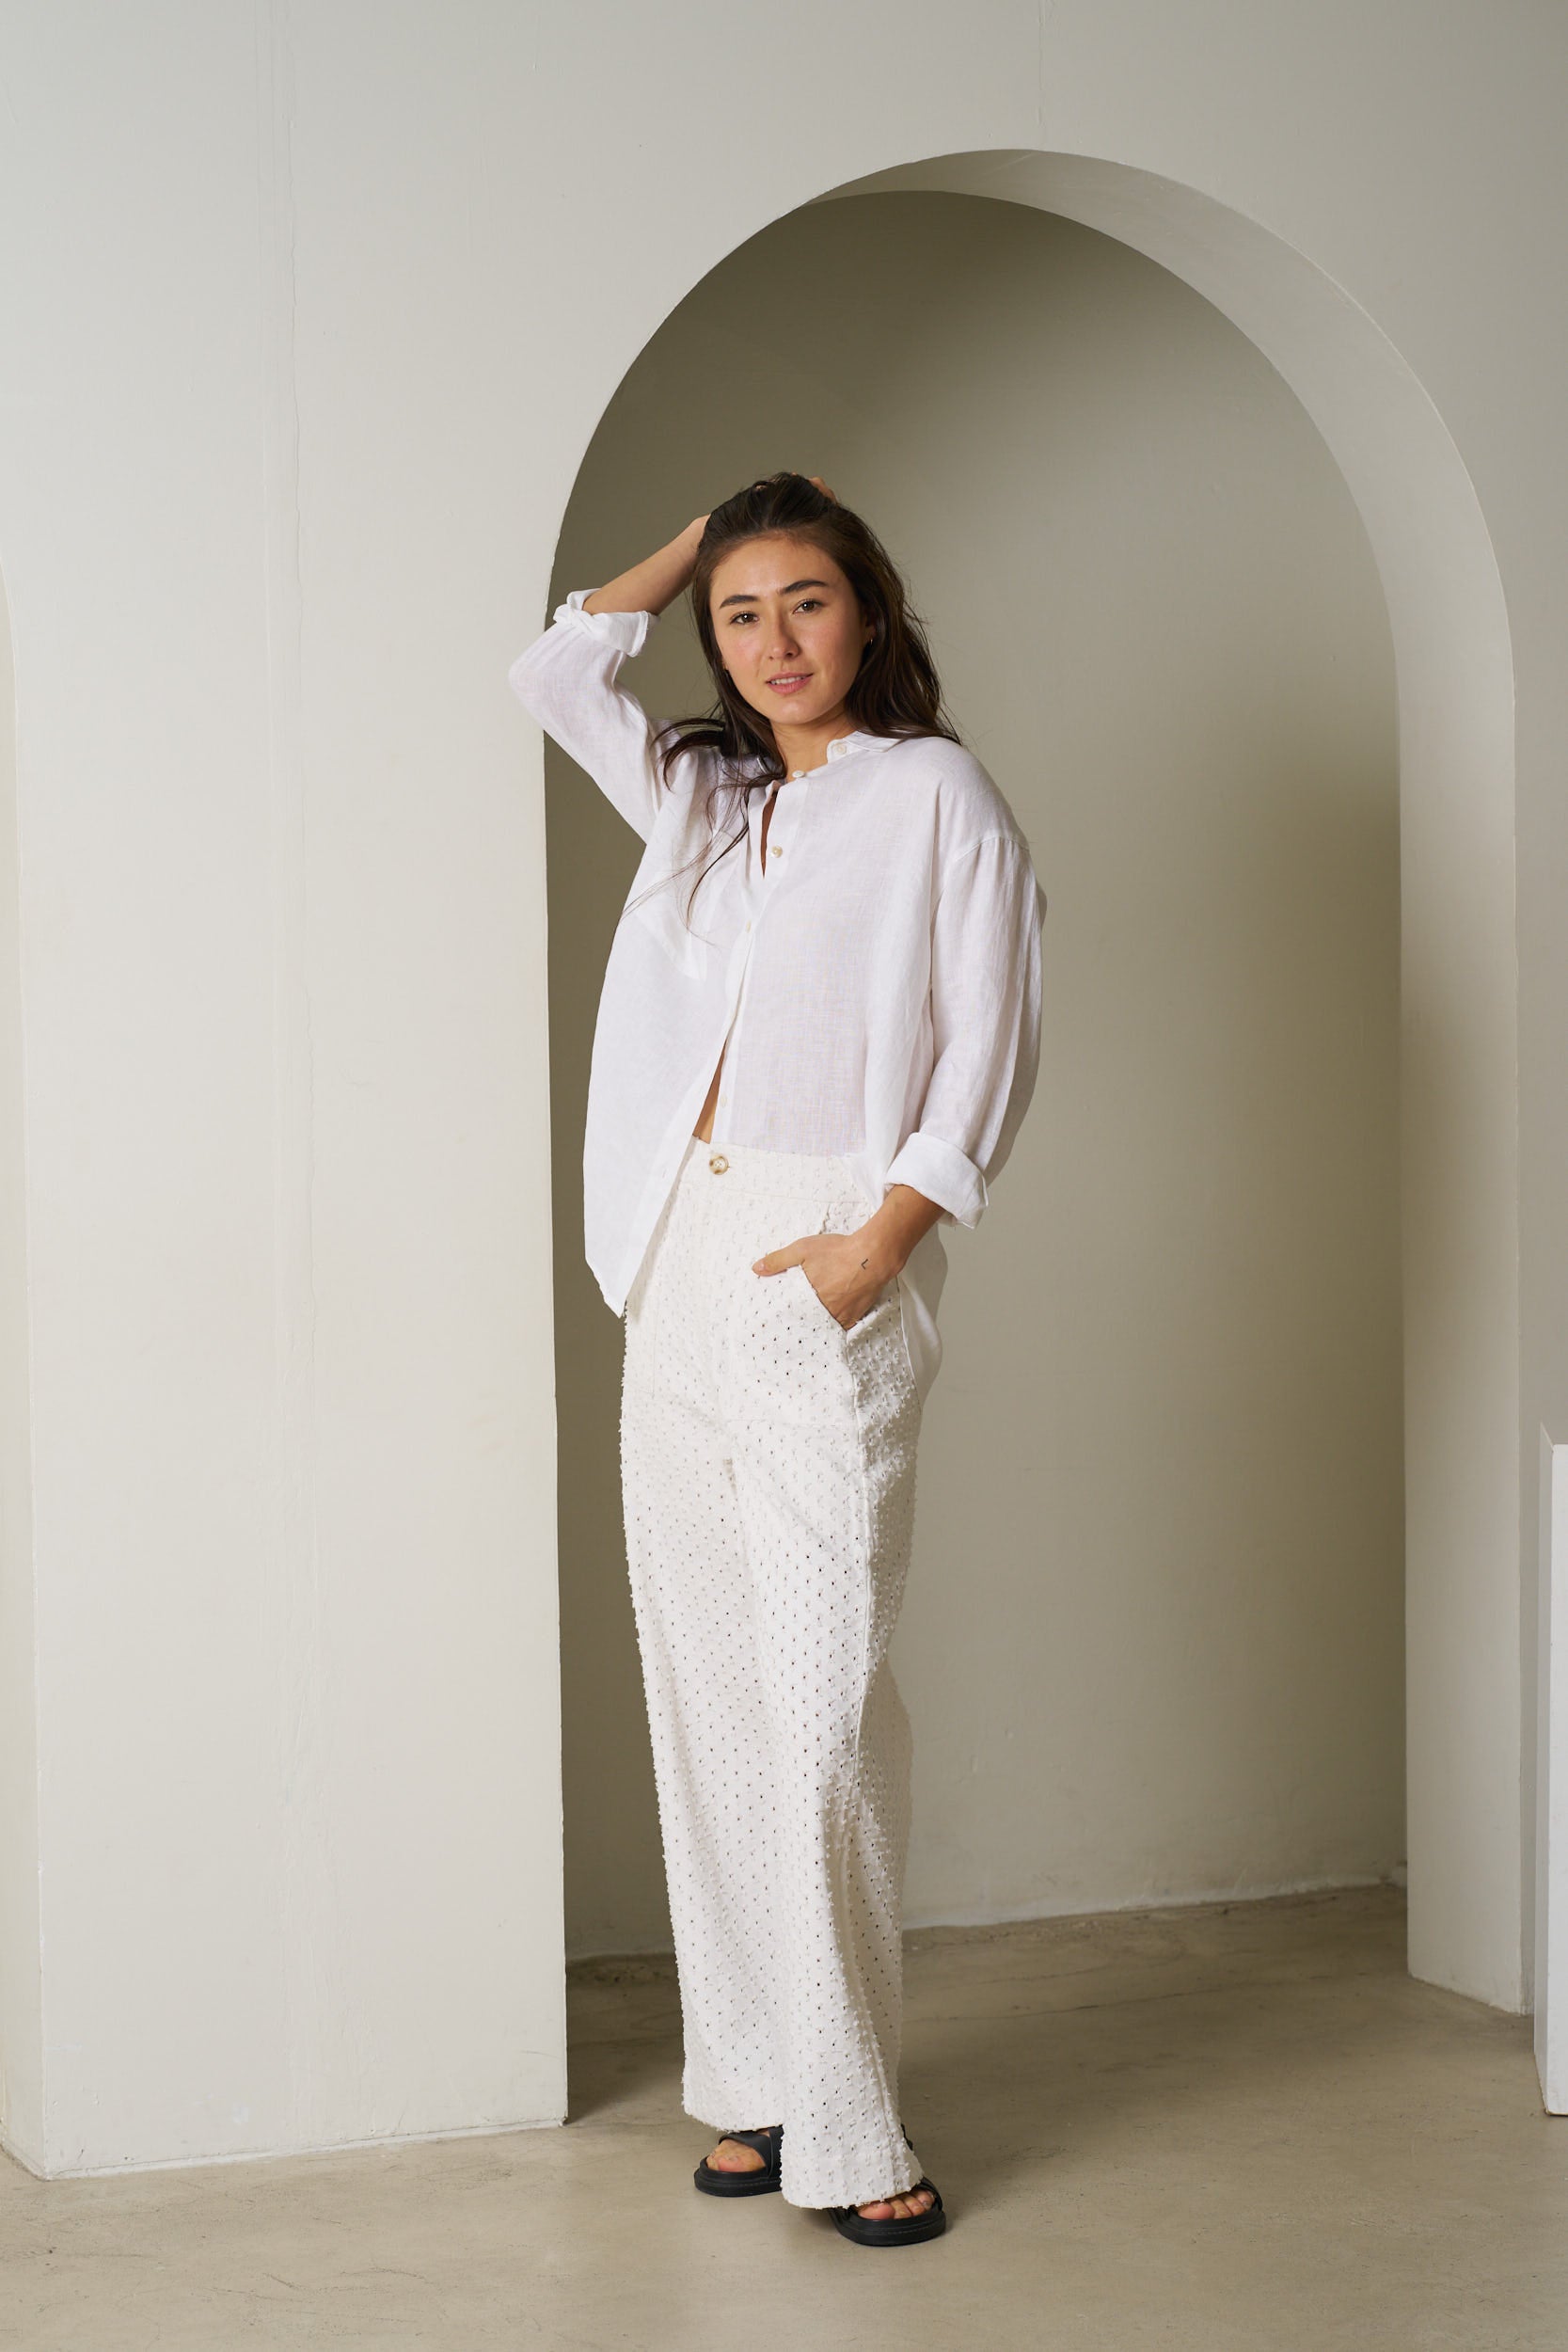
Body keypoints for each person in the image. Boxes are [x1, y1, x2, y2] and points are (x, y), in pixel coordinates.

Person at [508, 472, 1045, 2247]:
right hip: (678, 1260)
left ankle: (853, 2125)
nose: (773, 642)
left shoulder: (937, 796)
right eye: (741, 615)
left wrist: (879, 1248)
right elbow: (562, 671)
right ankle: (751, 2086)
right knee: (714, 1708)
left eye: (806, 601)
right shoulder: (705, 797)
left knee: (818, 1717)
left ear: (868, 613)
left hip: (827, 1248)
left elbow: (987, 1038)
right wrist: (713, 531)